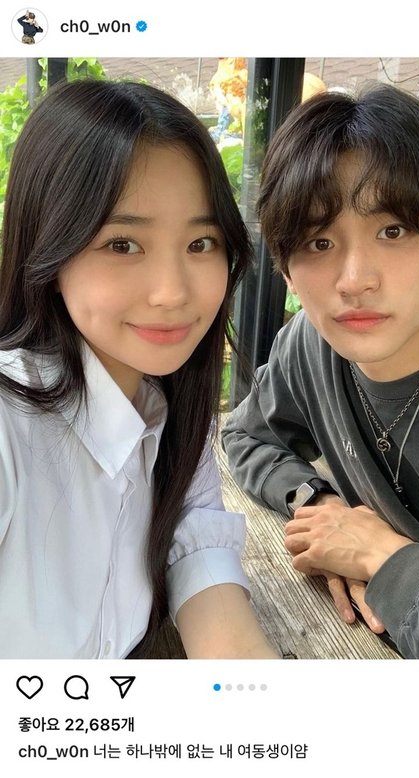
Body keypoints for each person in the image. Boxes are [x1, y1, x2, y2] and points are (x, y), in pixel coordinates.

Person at [0, 79, 278, 660]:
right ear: (47, 247)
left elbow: (196, 532)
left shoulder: (168, 406)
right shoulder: (11, 425)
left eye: (201, 243)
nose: (172, 292)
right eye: (123, 244)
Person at [222, 83, 419, 659]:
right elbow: (245, 435)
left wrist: (382, 560)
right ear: (284, 267)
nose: (355, 280)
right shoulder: (312, 344)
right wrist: (321, 507)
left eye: (393, 231)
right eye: (319, 242)